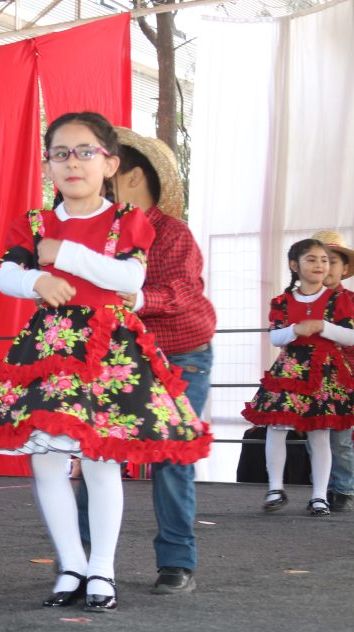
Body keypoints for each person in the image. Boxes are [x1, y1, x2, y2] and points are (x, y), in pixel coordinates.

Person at [0, 112, 211, 612]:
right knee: (47, 461)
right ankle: (71, 563)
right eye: (60, 153)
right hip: (49, 350)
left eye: (85, 152)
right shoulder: (32, 222)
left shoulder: (127, 221)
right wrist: (36, 281)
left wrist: (59, 254)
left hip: (108, 350)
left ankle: (103, 570)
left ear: (110, 163)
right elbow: (4, 274)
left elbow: (128, 278)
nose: (72, 162)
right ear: (48, 164)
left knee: (100, 461)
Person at [94, 127, 217, 594]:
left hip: (181, 352)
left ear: (133, 177)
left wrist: (136, 296)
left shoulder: (172, 233)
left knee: (170, 456)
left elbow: (183, 291)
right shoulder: (97, 232)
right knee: (98, 451)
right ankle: (89, 560)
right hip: (117, 354)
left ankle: (176, 561)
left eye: (108, 171)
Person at [242, 238, 354, 517]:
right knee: (277, 427)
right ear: (295, 265)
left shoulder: (341, 299)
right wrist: (296, 330)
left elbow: (350, 336)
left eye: (324, 260)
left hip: (326, 371)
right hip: (290, 370)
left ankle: (319, 496)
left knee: (320, 433)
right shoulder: (282, 301)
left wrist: (321, 326)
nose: (319, 265)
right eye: (312, 259)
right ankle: (275, 487)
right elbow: (276, 335)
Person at [310, 230, 354, 512]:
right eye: (319, 260)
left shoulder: (348, 300)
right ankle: (321, 489)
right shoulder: (302, 299)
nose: (326, 267)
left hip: (344, 374)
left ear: (344, 268)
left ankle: (344, 489)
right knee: (314, 435)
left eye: (332, 261)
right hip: (312, 375)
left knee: (340, 438)